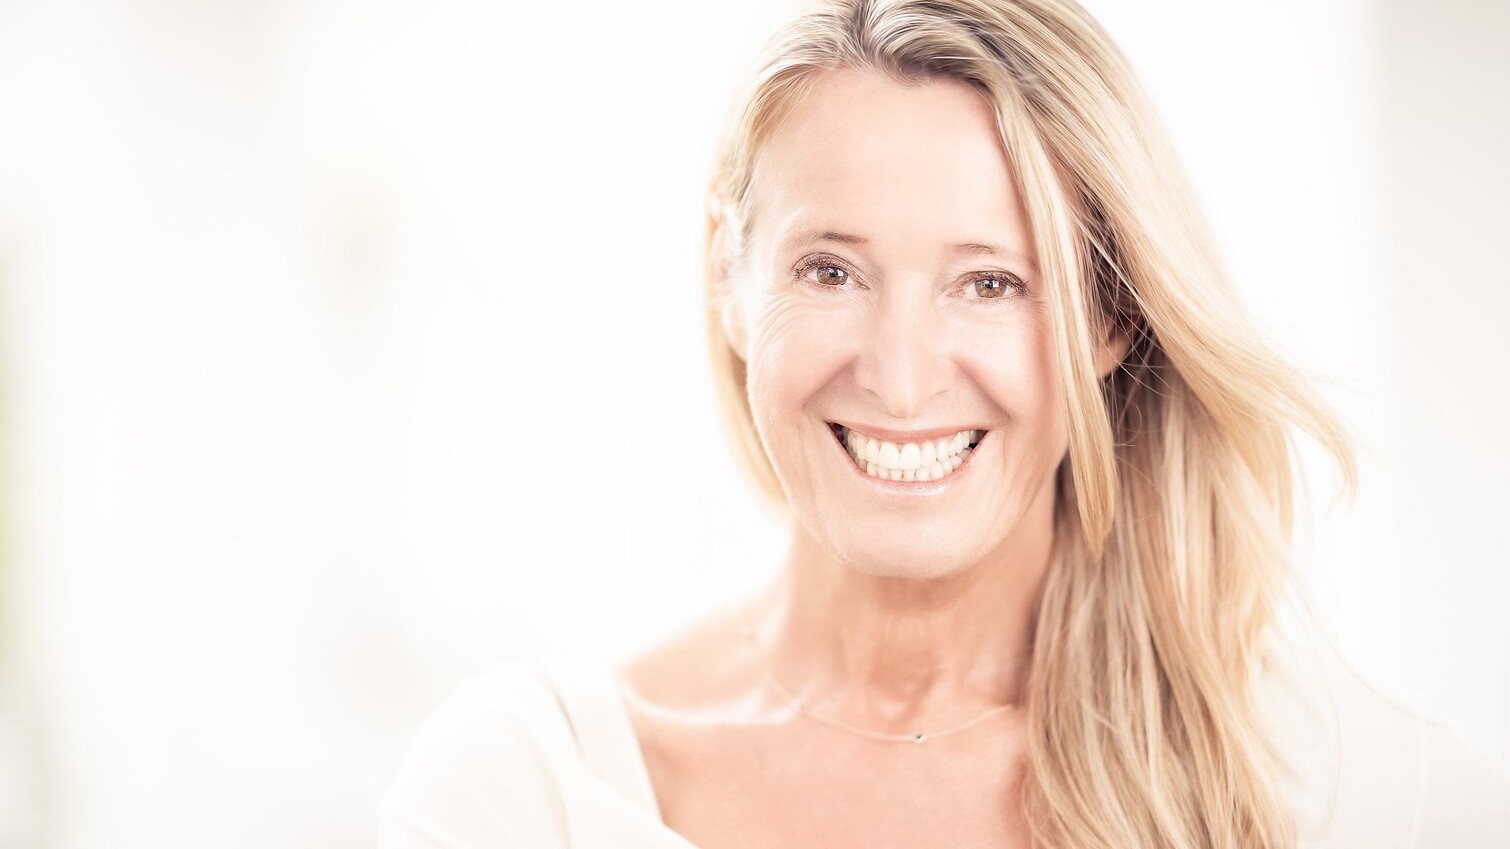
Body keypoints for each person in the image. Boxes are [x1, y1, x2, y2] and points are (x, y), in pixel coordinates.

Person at [378, 1, 1510, 847]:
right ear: (728, 276)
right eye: (830, 271)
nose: (902, 379)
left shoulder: (1363, 797)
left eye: (991, 283)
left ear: (1113, 318)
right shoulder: (524, 794)